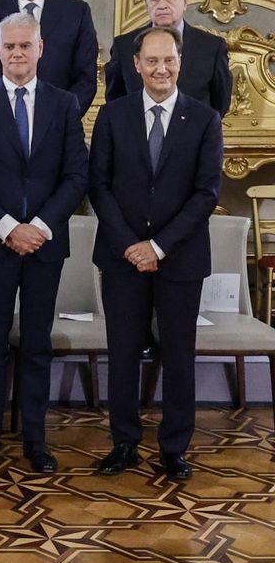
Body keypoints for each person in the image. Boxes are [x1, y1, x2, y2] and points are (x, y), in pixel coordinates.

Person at [0, 14, 88, 474]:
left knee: (36, 345)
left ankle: (36, 439)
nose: (16, 53)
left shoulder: (66, 104)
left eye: (24, 46)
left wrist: (40, 227)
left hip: (45, 246)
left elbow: (76, 175)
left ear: (40, 48)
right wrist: (9, 226)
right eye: (8, 46)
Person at [89, 26, 223, 482]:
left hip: (179, 259)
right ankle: (124, 443)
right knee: (122, 353)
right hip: (121, 256)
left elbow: (206, 194)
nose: (161, 69)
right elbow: (99, 187)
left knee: (179, 355)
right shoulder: (112, 117)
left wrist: (159, 247)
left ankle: (173, 448)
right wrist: (132, 244)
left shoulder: (205, 120)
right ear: (137, 65)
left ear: (179, 64)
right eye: (152, 61)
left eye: (169, 61)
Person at [105, 0, 232, 116]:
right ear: (147, 5)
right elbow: (115, 101)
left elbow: (220, 102)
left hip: (192, 134)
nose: (162, 5)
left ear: (184, 3)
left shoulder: (212, 47)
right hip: (137, 134)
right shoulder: (124, 46)